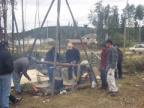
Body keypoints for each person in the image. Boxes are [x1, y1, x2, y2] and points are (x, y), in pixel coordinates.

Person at [0, 41, 14, 108]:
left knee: (0, 91)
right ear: (5, 45)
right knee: (5, 92)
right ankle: (4, 106)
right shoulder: (6, 53)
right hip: (5, 75)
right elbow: (9, 65)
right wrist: (10, 71)